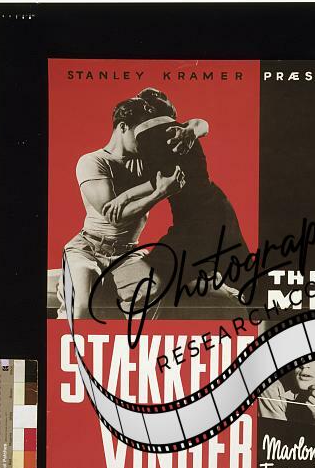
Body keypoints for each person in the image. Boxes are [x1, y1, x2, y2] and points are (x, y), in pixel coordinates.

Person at [100, 87, 252, 310]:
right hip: (211, 211)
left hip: (201, 219)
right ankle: (212, 284)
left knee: (137, 281)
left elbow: (164, 178)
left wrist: (124, 196)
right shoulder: (178, 128)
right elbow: (167, 175)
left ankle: (213, 286)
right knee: (233, 277)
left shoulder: (154, 131)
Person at [57, 97, 189, 318]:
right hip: (88, 249)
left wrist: (188, 131)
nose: (147, 140)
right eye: (141, 133)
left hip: (128, 253)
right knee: (81, 306)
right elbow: (114, 217)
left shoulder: (146, 161)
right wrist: (159, 194)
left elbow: (196, 129)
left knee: (153, 293)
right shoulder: (93, 161)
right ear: (123, 127)